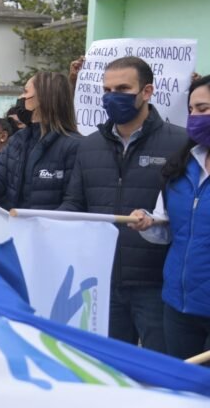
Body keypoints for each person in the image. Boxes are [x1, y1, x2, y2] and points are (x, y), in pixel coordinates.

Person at [58, 56, 187, 352]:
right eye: (107, 89)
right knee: (109, 368)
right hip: (102, 280)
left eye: (123, 88)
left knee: (158, 372)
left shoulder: (179, 143)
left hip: (154, 284)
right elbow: (75, 203)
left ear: (147, 91)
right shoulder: (89, 146)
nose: (112, 97)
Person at [129, 75, 210, 360]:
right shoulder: (181, 166)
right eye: (191, 110)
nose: (195, 117)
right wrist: (147, 223)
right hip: (178, 307)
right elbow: (167, 228)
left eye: (203, 109)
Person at [0, 72, 80, 209]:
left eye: (26, 92)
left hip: (49, 228)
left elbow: (74, 201)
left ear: (44, 98)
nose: (20, 98)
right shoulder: (18, 140)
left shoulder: (74, 145)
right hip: (15, 227)